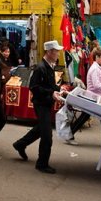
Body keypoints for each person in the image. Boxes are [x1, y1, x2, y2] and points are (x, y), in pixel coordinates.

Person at [12, 40, 65, 174]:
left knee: (40, 129)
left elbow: (50, 85)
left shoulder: (49, 66)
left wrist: (59, 89)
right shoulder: (40, 67)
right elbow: (34, 87)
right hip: (41, 104)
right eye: (56, 51)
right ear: (49, 52)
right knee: (47, 135)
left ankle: (20, 144)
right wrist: (51, 93)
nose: (58, 53)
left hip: (46, 102)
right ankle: (42, 164)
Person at [68, 49, 101, 149]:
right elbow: (97, 85)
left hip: (96, 97)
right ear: (97, 57)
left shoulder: (97, 67)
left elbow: (97, 81)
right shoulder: (95, 69)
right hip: (93, 97)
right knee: (100, 118)